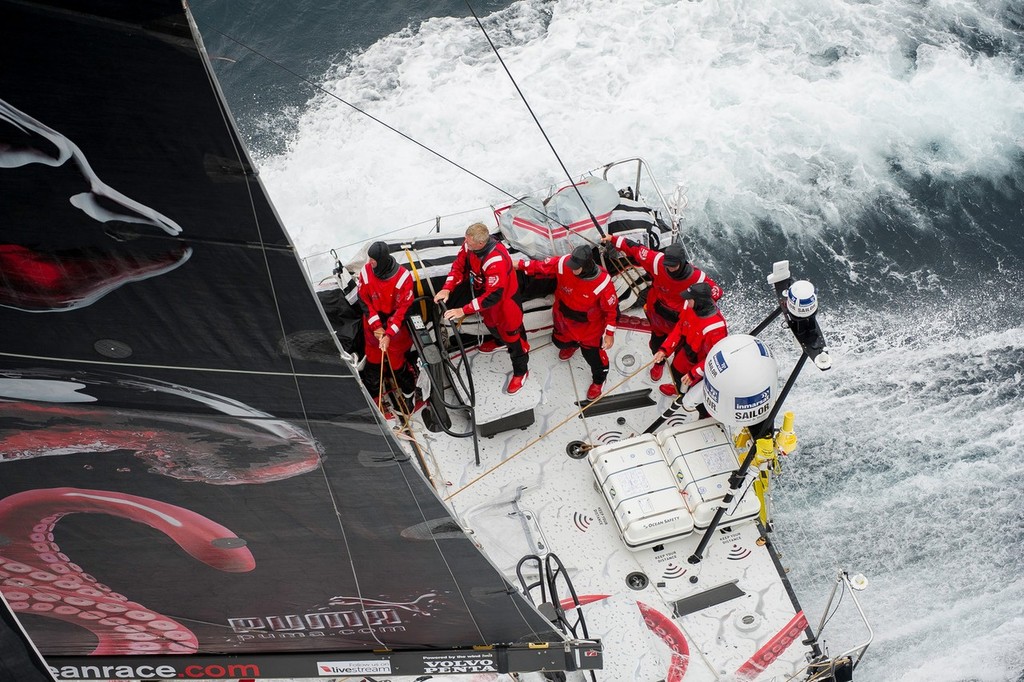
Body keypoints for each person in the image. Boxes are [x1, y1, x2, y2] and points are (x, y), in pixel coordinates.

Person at [601, 234, 722, 381]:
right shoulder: (658, 261)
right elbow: (636, 249)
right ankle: (659, 363)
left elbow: (716, 291)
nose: (670, 269)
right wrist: (613, 239)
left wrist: (702, 308)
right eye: (667, 265)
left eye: (673, 266)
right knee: (656, 343)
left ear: (683, 262)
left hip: (678, 320)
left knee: (679, 349)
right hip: (656, 313)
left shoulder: (698, 278)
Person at [434, 223, 530, 394]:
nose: (465, 244)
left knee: (513, 337)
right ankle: (500, 341)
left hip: (505, 305)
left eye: (469, 243)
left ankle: (521, 371)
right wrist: (447, 287)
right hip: (486, 300)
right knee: (491, 324)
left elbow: (493, 296)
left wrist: (462, 310)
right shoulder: (469, 245)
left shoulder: (497, 260)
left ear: (480, 244)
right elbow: (458, 266)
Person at [517, 245, 619, 400]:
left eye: (575, 268)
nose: (571, 269)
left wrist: (609, 334)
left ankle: (599, 380)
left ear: (586, 267)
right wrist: (519, 264)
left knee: (593, 357)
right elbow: (542, 266)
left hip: (588, 329)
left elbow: (611, 311)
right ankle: (572, 345)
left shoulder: (603, 283)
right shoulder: (565, 263)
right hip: (563, 319)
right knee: (559, 342)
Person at [358, 241, 418, 418]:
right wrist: (377, 326)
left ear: (382, 260)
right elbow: (364, 300)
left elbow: (402, 309)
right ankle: (374, 399)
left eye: (373, 260)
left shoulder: (403, 278)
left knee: (397, 364)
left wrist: (389, 333)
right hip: (372, 326)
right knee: (373, 363)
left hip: (395, 328)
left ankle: (409, 395)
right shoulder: (366, 272)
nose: (370, 263)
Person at [652, 282, 728, 413]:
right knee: (675, 371)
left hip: (699, 363)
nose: (686, 300)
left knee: (694, 387)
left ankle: (699, 408)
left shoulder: (716, 328)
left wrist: (694, 374)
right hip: (686, 351)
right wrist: (664, 350)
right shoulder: (689, 306)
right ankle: (678, 390)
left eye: (689, 298)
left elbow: (714, 357)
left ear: (699, 301)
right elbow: (680, 327)